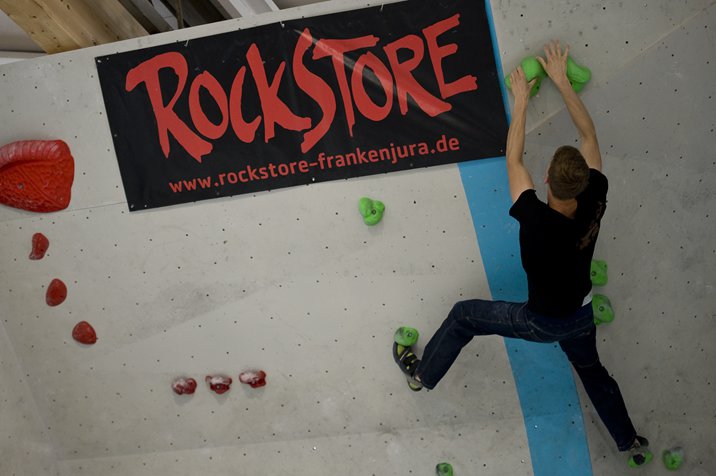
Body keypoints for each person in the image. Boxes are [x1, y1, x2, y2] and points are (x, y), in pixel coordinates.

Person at [393, 40, 652, 468]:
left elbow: (514, 156)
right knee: (594, 374)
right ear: (586, 180)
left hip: (541, 322)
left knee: (463, 315)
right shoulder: (597, 196)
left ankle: (422, 376)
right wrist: (563, 83)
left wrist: (521, 98)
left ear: (547, 178)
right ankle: (629, 442)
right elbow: (589, 134)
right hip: (581, 314)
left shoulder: (534, 218)